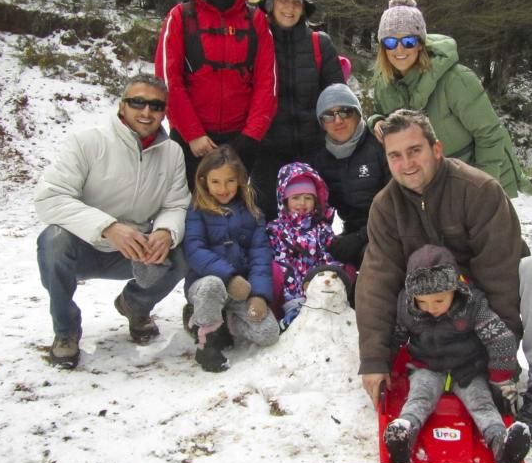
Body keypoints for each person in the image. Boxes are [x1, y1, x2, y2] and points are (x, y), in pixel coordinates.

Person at [356, 110, 532, 444]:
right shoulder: (386, 206)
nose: (406, 163)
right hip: (436, 310)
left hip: (487, 304)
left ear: (437, 149)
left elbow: (501, 277)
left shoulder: (479, 190)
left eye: (414, 151)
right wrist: (375, 359)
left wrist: (500, 365)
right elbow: (377, 280)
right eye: (395, 155)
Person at [35, 74, 190, 369]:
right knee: (52, 241)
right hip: (83, 245)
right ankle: (66, 331)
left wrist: (166, 231)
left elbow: (177, 204)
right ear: (122, 105)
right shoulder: (87, 143)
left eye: (156, 106)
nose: (146, 112)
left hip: (137, 253)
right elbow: (50, 198)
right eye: (138, 102)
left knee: (186, 251)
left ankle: (135, 305)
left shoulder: (172, 153)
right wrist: (107, 227)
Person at [370, 0, 532, 199]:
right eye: (391, 42)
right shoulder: (383, 83)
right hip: (427, 182)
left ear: (421, 43)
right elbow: (378, 112)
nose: (400, 49)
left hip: (470, 177)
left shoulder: (456, 79)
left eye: (409, 41)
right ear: (382, 47)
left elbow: (490, 135)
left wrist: (482, 188)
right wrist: (376, 121)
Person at [383, 245, 531, 463]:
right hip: (427, 366)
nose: (430, 308)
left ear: (455, 289)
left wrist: (499, 380)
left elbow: (499, 338)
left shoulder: (472, 305)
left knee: (482, 404)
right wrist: (384, 364)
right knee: (419, 399)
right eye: (422, 302)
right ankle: (403, 434)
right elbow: (396, 338)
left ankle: (502, 444)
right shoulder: (407, 307)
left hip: (467, 369)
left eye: (439, 301)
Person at [154, 0, 277, 189]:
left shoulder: (256, 21)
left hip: (240, 138)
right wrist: (193, 134)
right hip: (192, 139)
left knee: (234, 208)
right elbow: (168, 81)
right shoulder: (180, 17)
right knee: (190, 207)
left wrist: (251, 136)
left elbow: (268, 84)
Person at [253, 0, 346, 220]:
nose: (289, 8)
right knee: (270, 221)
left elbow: (337, 96)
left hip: (312, 150)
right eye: (284, 0)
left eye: (296, 2)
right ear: (271, 4)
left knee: (313, 220)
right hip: (268, 152)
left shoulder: (320, 44)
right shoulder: (257, 41)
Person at [183, 145, 280, 372]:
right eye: (215, 182)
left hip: (242, 289)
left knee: (268, 333)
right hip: (206, 283)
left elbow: (260, 255)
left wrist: (259, 294)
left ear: (240, 180)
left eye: (230, 181)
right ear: (204, 180)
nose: (223, 189)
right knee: (212, 284)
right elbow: (194, 250)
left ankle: (227, 323)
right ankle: (205, 340)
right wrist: (228, 276)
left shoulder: (252, 212)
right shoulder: (197, 209)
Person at [310, 83, 390, 269]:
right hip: (352, 231)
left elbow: (396, 205)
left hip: (387, 230)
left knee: (371, 259)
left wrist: (360, 237)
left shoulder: (379, 145)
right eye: (329, 115)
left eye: (345, 112)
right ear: (322, 123)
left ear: (358, 114)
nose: (338, 120)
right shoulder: (320, 159)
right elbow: (318, 211)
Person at [266, 161, 343, 327]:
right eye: (295, 198)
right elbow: (280, 260)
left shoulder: (321, 227)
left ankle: (328, 306)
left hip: (316, 279)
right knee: (280, 270)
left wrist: (329, 271)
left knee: (340, 268)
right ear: (285, 201)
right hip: (291, 286)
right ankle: (294, 311)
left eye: (308, 198)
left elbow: (329, 252)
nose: (302, 203)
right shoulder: (276, 229)